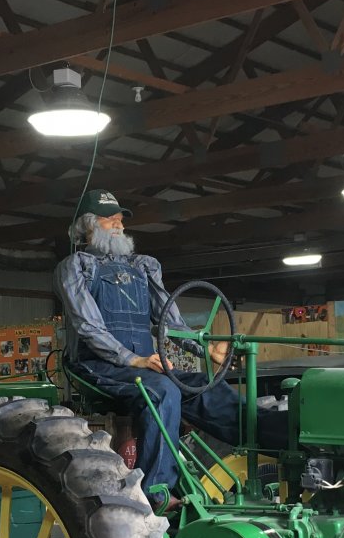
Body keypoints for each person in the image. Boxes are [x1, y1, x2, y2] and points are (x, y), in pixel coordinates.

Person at [54, 189, 286, 512]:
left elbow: (170, 322)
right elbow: (87, 326)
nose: (120, 225)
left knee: (204, 386)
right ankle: (155, 490)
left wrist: (204, 348)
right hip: (96, 365)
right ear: (89, 226)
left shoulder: (142, 268)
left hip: (144, 366)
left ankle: (283, 437)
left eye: (121, 220)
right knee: (163, 390)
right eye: (111, 220)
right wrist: (133, 359)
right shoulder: (76, 267)